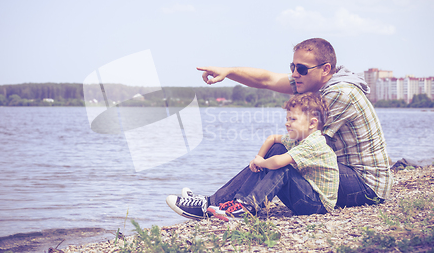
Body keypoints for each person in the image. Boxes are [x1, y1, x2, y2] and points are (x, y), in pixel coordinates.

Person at [166, 37, 393, 219]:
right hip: (342, 170)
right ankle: (219, 202)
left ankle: (213, 205)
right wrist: (229, 72)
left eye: (302, 68)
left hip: (366, 185)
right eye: (293, 66)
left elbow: (303, 146)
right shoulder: (315, 82)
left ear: (325, 69)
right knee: (279, 149)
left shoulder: (339, 93)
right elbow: (267, 80)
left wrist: (265, 159)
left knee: (282, 155)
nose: (295, 73)